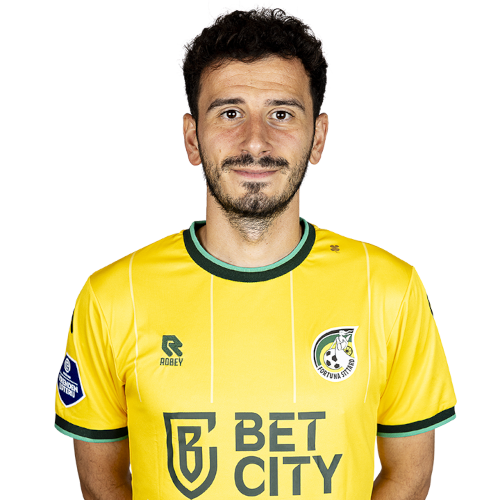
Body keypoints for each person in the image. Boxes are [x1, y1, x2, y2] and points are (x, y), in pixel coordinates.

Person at [54, 4, 457, 499]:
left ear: (319, 138)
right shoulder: (113, 296)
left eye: (281, 114)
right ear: (191, 139)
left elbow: (409, 476)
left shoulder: (391, 290)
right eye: (230, 113)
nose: (256, 142)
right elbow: (100, 485)